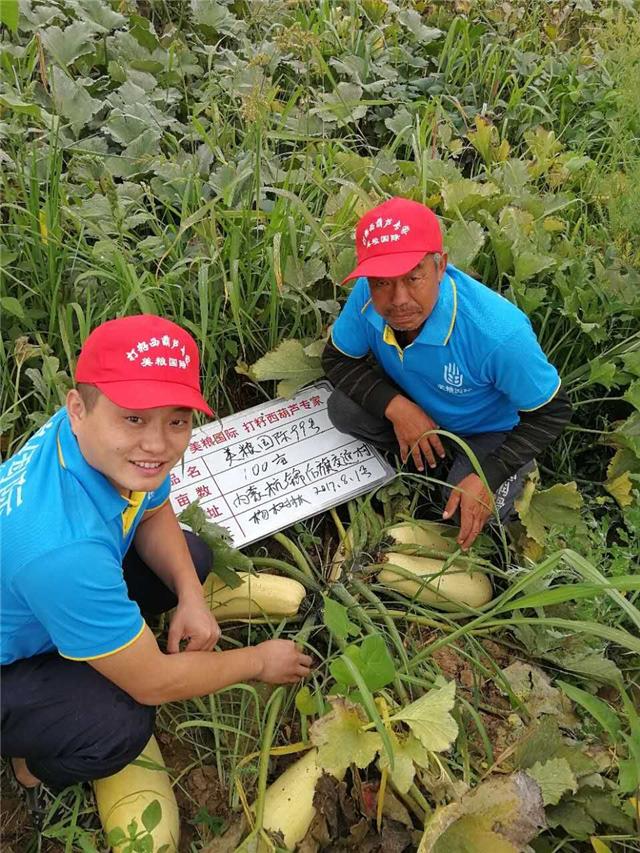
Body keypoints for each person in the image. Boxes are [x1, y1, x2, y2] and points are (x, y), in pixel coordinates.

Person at [1, 315, 311, 821]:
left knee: (191, 558)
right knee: (119, 722)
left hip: (41, 597)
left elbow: (151, 507)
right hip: (9, 661)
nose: (158, 445)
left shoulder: (82, 438)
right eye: (134, 419)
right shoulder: (63, 551)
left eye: (177, 420)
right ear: (78, 409)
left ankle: (96, 645)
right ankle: (29, 765)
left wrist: (190, 595)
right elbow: (154, 684)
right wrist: (258, 662)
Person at [323, 197, 572, 551]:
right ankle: (430, 453)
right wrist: (397, 407)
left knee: (465, 513)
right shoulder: (367, 295)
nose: (398, 299)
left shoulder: (498, 334)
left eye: (414, 277)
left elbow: (553, 412)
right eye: (382, 283)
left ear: (441, 266)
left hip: (492, 433)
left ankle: (509, 470)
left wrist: (488, 474)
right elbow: (336, 360)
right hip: (423, 407)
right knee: (343, 409)